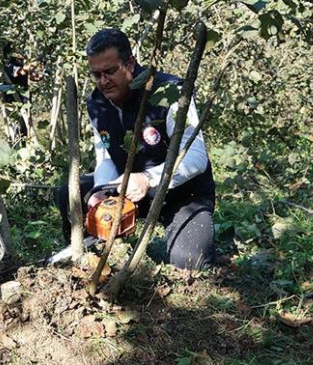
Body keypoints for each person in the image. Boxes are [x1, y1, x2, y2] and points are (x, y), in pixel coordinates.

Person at [57, 29, 216, 270]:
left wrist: (148, 179)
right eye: (96, 75)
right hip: (126, 190)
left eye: (110, 72)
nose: (103, 81)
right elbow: (106, 156)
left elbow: (196, 158)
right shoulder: (97, 104)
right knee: (70, 193)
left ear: (130, 63)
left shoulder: (169, 93)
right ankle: (88, 250)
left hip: (182, 194)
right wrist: (103, 190)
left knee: (189, 261)